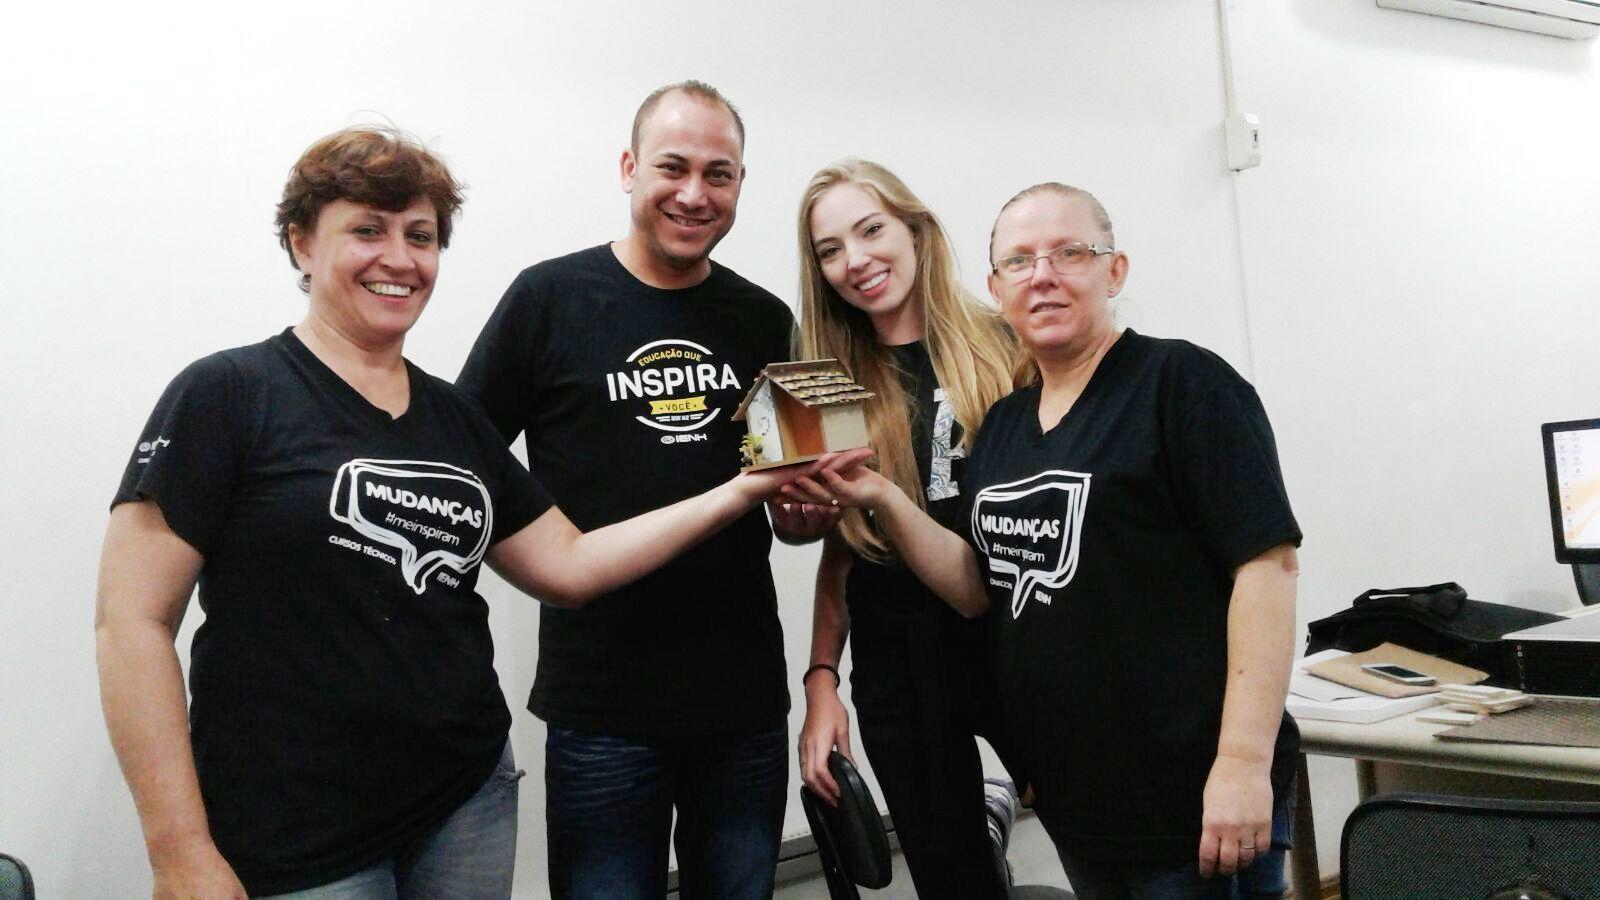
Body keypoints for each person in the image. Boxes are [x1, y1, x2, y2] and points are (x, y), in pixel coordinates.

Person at [95, 125, 860, 899]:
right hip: (299, 819)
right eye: (367, 230)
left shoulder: (452, 420)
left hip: (466, 800)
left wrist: (753, 494)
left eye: (420, 236)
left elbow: (568, 562)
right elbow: (131, 623)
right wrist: (179, 850)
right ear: (300, 243)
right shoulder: (228, 394)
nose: (398, 258)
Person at [804, 183, 1302, 898]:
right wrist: (879, 495)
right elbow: (978, 588)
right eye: (1020, 262)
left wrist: (1244, 763)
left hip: (1190, 791)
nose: (1043, 275)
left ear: (1115, 270)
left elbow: (1268, 567)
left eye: (1070, 253)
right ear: (996, 289)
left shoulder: (1181, 383)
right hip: (1084, 800)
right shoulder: (1007, 423)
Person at [456, 81, 835, 899]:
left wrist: (806, 515)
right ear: (629, 168)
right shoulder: (546, 299)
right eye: (672, 166)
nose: (694, 194)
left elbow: (798, 507)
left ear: (740, 183)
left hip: (740, 702)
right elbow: (464, 461)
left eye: (719, 173)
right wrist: (544, 552)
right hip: (601, 707)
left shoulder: (765, 319)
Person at [790, 159, 1019, 899]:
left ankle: (995, 808)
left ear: (915, 228)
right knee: (951, 881)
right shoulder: (827, 380)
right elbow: (843, 549)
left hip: (1012, 642)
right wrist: (822, 682)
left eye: (870, 230)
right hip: (900, 662)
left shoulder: (1005, 346)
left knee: (1098, 841)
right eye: (830, 250)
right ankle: (977, 828)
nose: (855, 261)